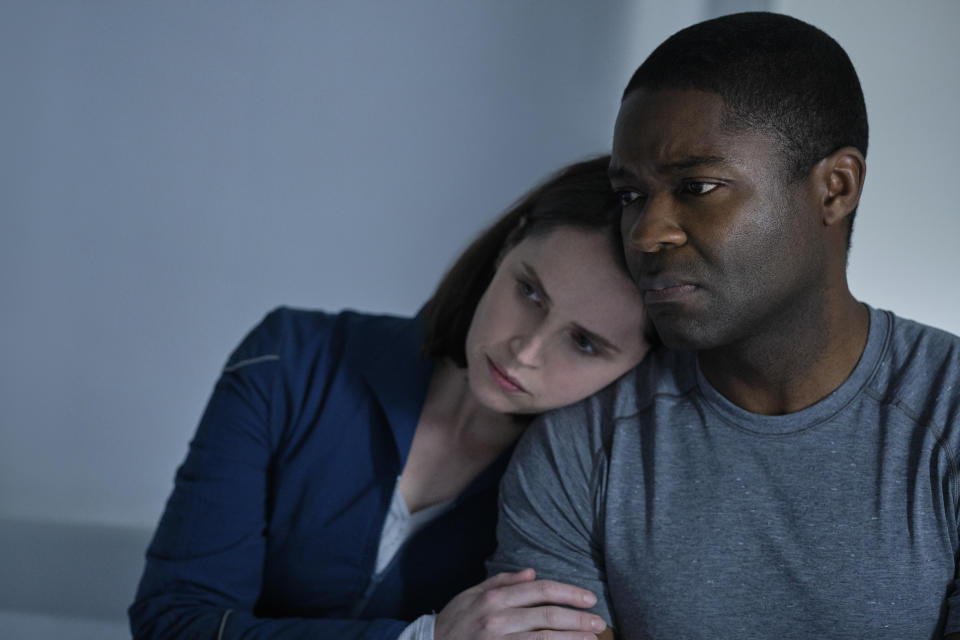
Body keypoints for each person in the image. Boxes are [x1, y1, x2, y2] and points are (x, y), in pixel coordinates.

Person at [489, 12, 960, 639]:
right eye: (631, 195)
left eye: (698, 186)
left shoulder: (947, 413)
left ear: (835, 189)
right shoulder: (583, 444)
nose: (647, 233)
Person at [129, 156, 656, 639]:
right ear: (508, 246)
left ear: (640, 364)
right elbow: (173, 620)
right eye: (530, 292)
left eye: (585, 343)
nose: (527, 351)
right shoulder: (289, 360)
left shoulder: (591, 493)